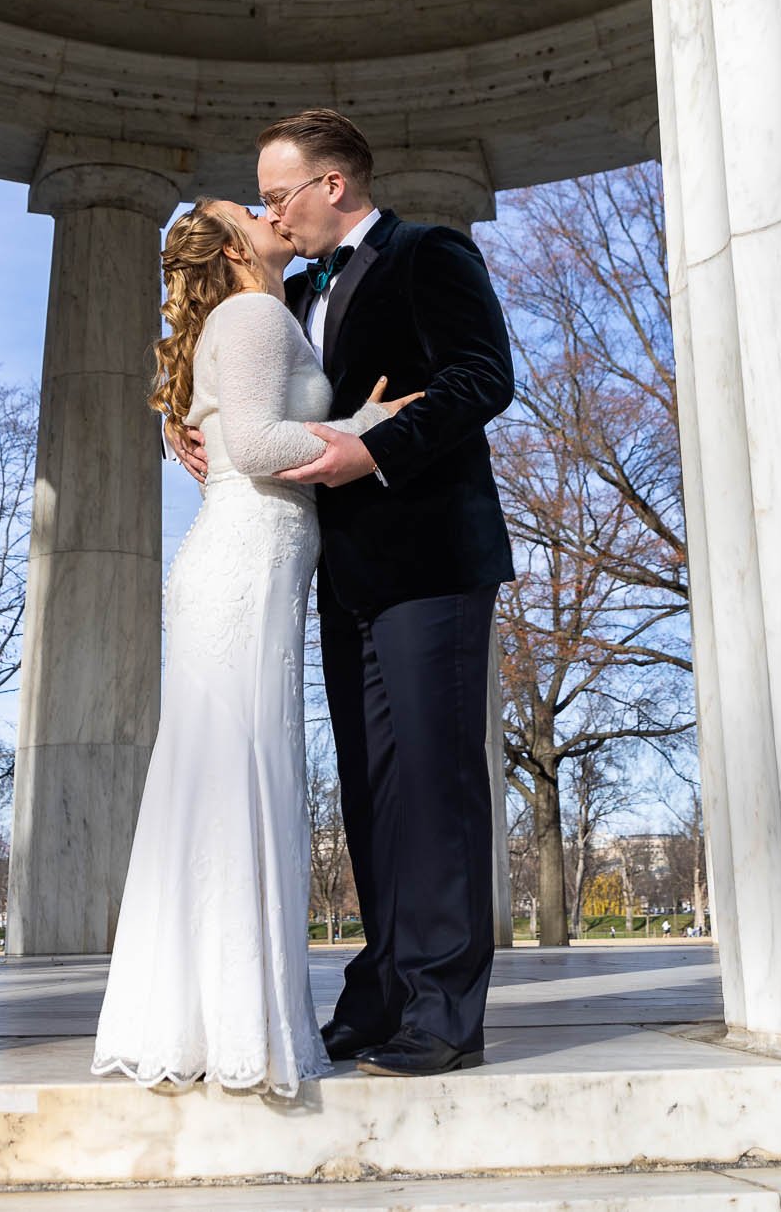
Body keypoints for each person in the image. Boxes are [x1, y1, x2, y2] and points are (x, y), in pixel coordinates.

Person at [169, 109, 516, 1078]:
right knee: (371, 791)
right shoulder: (292, 294)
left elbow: (484, 377)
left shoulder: (425, 251)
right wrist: (191, 425)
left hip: (431, 556)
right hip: (337, 570)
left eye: (278, 191)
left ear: (334, 184)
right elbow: (264, 406)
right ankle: (382, 993)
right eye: (262, 199)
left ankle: (444, 1011)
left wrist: (376, 444)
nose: (271, 209)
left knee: (436, 785)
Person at [91, 200, 416, 1096]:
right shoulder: (254, 312)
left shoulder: (253, 313)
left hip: (244, 563)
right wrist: (368, 427)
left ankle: (204, 1019)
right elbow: (259, 443)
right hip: (243, 562)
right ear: (236, 248)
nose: (268, 208)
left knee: (222, 773)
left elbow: (229, 427)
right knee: (239, 771)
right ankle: (235, 1026)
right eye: (249, 207)